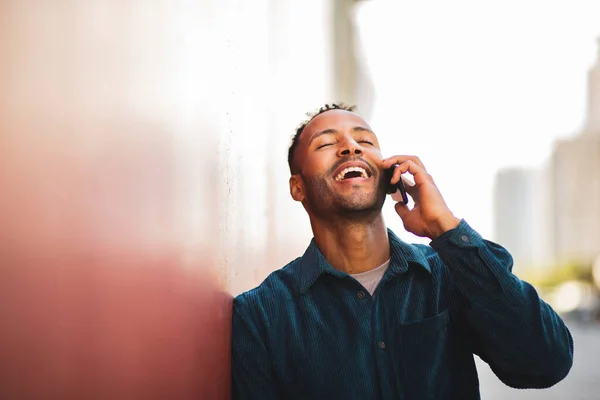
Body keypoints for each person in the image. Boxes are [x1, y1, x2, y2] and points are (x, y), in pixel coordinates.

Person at [231, 103, 573, 399]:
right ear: (298, 186)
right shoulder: (261, 314)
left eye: (365, 141)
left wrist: (445, 228)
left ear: (389, 174)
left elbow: (546, 362)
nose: (351, 148)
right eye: (327, 143)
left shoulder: (451, 272)